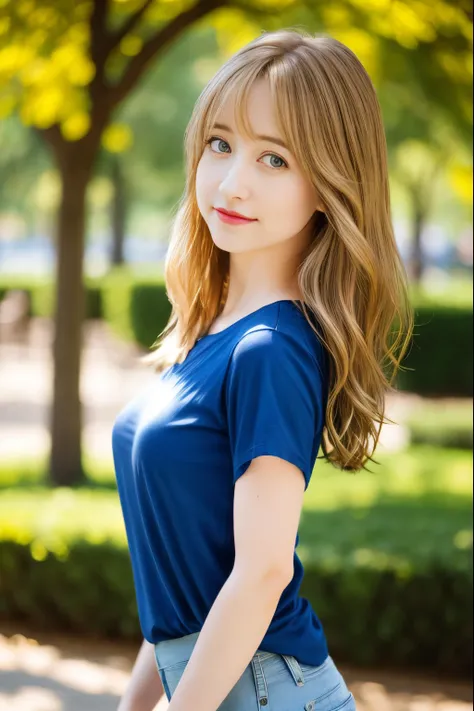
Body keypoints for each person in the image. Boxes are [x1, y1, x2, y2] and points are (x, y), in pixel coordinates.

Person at [113, 27, 413, 711]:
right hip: (214, 681)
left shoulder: (272, 348)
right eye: (221, 144)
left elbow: (262, 571)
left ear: (329, 184)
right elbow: (185, 575)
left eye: (274, 159)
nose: (233, 180)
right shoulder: (213, 328)